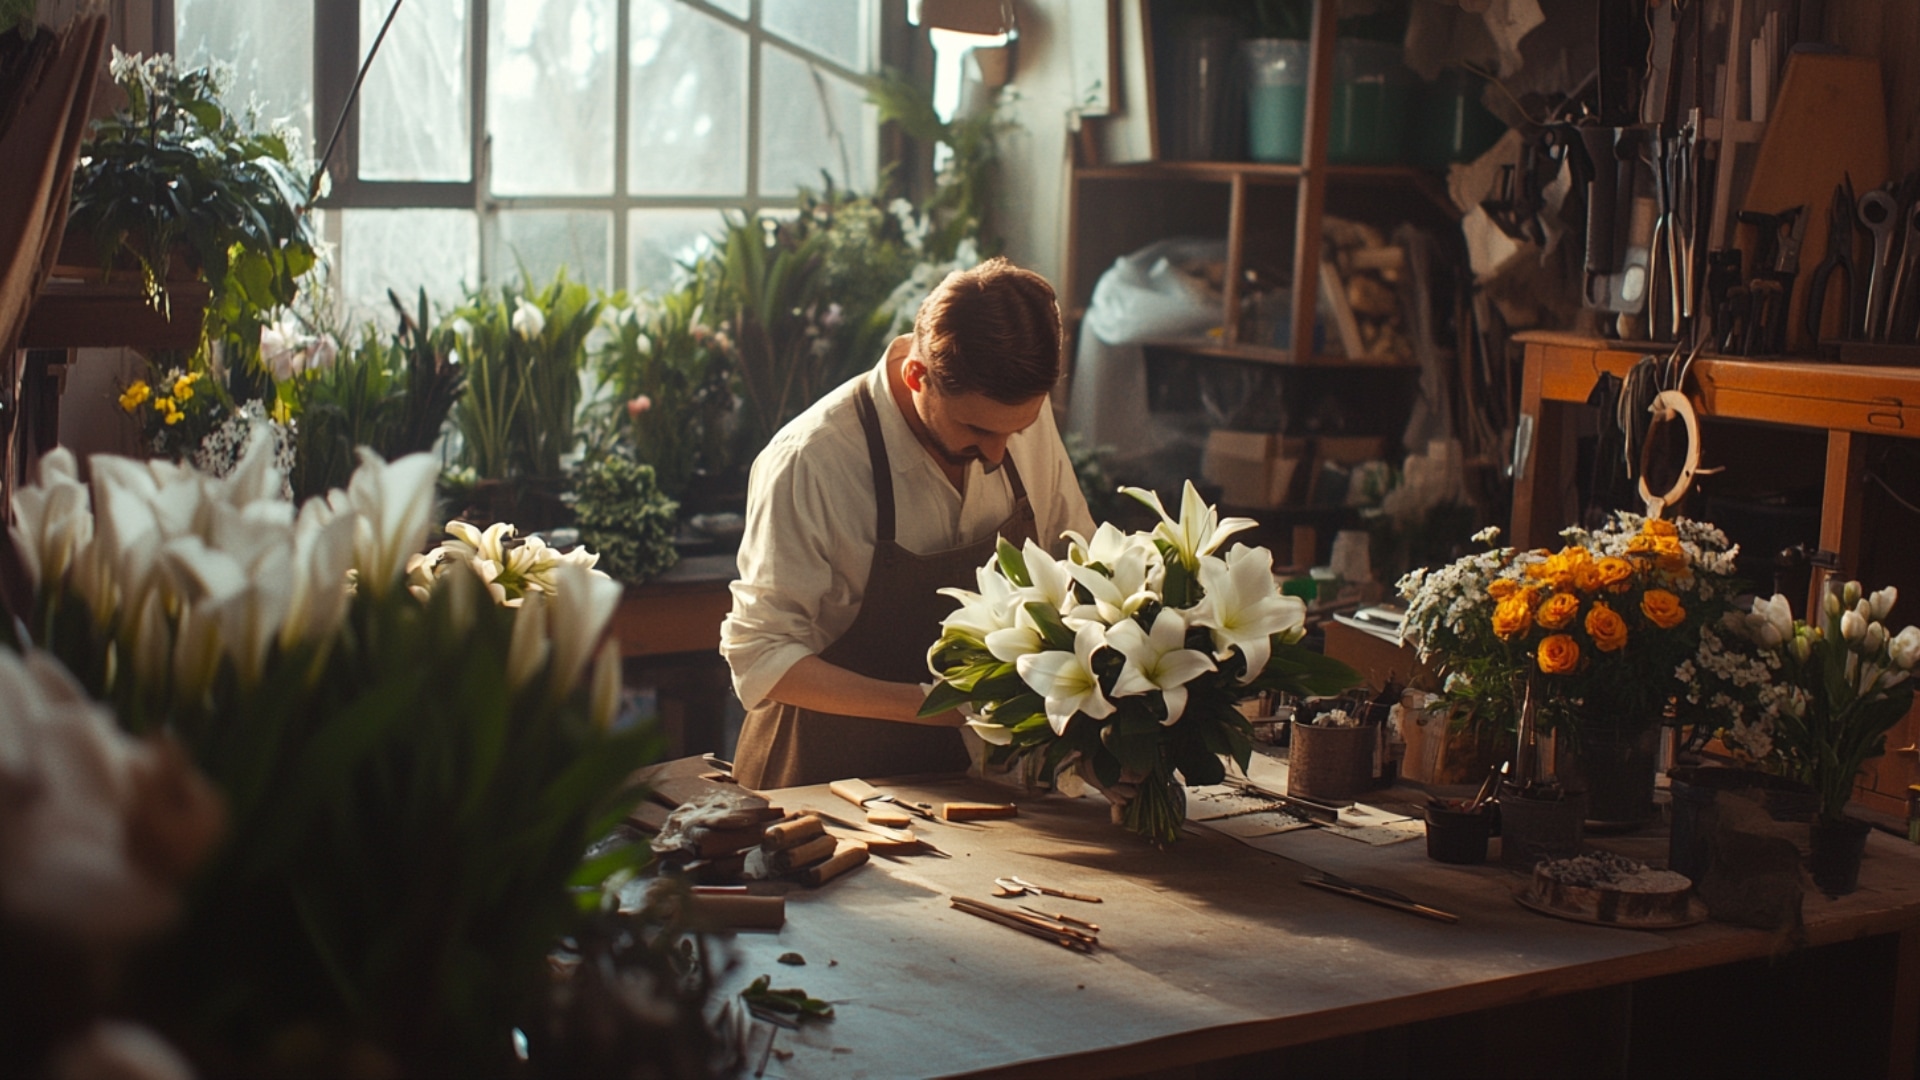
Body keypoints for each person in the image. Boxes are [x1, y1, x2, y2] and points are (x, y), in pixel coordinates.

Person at [722, 257, 1095, 790]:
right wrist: (943, 706)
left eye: (1017, 430)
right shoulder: (813, 460)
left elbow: (1077, 567)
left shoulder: (1010, 421)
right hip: (821, 782)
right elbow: (762, 655)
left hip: (971, 785)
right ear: (916, 375)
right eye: (976, 429)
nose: (996, 453)